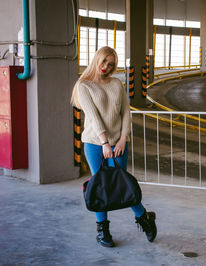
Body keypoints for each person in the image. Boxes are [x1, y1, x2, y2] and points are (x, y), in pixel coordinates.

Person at [71, 46, 157, 247]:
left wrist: (122, 138)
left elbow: (126, 113)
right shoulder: (84, 85)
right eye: (103, 62)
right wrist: (104, 142)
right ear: (96, 60)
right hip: (95, 144)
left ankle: (144, 218)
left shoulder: (117, 83)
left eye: (110, 64)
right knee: (100, 186)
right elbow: (93, 116)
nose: (106, 67)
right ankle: (102, 230)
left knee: (121, 183)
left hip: (118, 144)